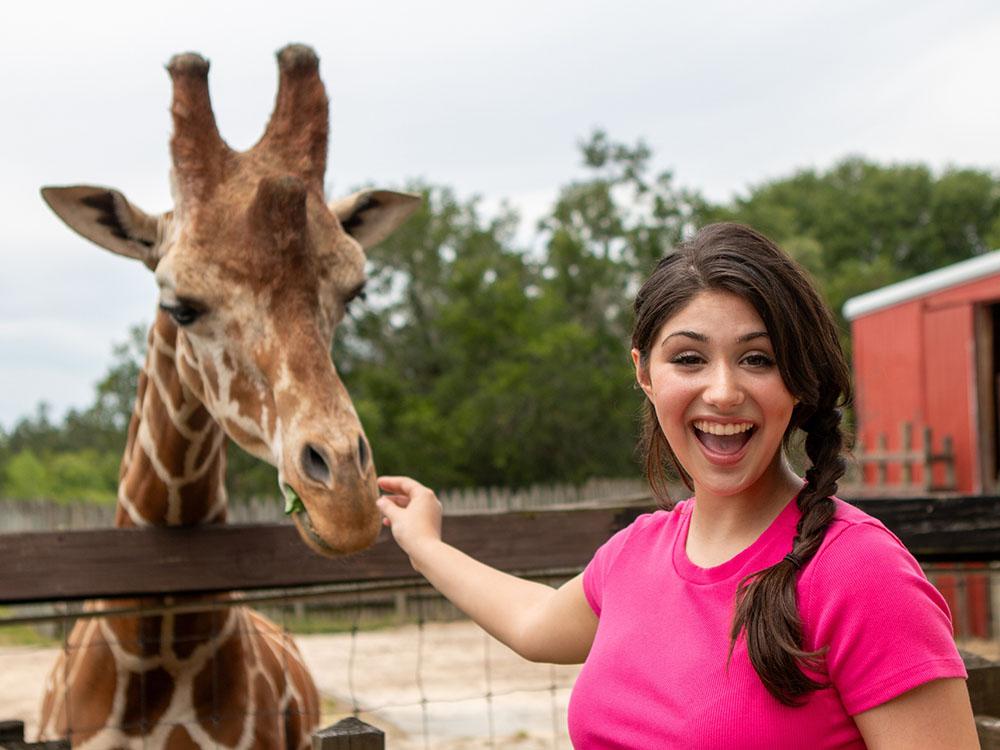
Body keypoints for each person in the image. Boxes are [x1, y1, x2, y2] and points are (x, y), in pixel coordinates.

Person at [375, 222, 977, 749]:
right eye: (689, 359)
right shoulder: (636, 553)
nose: (722, 391)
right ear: (644, 372)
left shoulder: (858, 572)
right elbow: (533, 624)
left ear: (799, 379)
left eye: (758, 359)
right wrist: (423, 542)